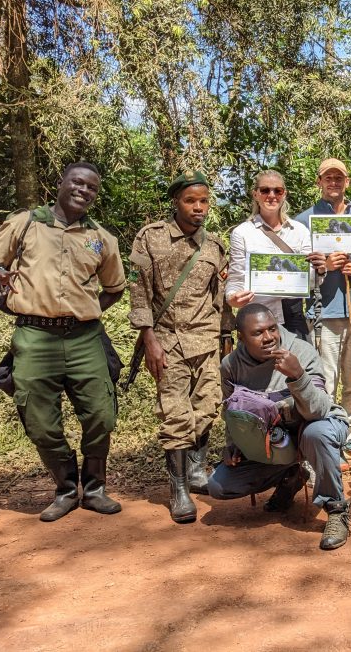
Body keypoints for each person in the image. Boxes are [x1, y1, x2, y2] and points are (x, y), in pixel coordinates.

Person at [0, 162, 126, 521]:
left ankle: (95, 489)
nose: (83, 190)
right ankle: (66, 488)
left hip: (85, 338)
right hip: (34, 337)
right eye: (77, 182)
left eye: (91, 187)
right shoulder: (26, 223)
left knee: (102, 415)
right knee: (39, 420)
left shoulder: (102, 238)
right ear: (61, 183)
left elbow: (115, 288)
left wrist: (83, 311)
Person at [128, 171, 231, 524]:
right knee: (176, 416)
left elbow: (219, 300)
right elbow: (139, 293)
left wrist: (226, 337)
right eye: (191, 201)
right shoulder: (151, 238)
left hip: (206, 341)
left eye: (203, 201)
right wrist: (149, 339)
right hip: (168, 342)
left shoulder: (215, 247)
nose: (198, 207)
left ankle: (198, 470)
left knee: (208, 407)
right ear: (176, 202)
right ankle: (179, 489)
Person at [209, 303, 351, 550]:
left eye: (272, 329)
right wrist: (233, 446)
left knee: (317, 433)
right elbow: (231, 412)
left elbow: (317, 410)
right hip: (272, 441)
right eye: (258, 333)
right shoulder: (231, 365)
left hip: (311, 428)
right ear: (241, 337)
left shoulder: (301, 351)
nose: (268, 338)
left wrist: (298, 377)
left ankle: (336, 509)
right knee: (219, 486)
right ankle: (290, 476)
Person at [294, 157, 351, 464]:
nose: (333, 183)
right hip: (323, 314)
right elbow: (296, 271)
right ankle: (329, 439)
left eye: (338, 178)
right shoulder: (305, 221)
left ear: (347, 182)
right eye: (327, 178)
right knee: (325, 380)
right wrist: (325, 267)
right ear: (319, 182)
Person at [225, 169, 314, 340]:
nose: (271, 195)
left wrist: (320, 270)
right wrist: (233, 298)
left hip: (294, 318)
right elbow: (235, 280)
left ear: (284, 194)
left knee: (301, 366)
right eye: (265, 190)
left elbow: (311, 282)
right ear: (255, 194)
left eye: (277, 191)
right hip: (256, 318)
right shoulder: (242, 233)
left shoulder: (300, 231)